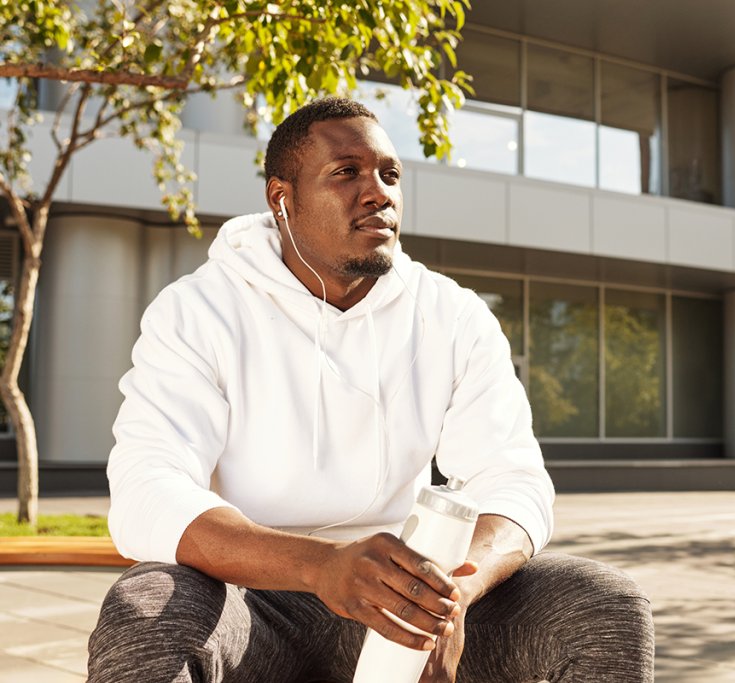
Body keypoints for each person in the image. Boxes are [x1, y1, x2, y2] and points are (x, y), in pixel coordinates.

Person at [87, 97, 655, 683]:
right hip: (250, 599)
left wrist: (448, 596)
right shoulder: (198, 310)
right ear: (282, 199)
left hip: (401, 596)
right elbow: (146, 492)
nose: (379, 192)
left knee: (602, 603)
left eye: (390, 174)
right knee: (146, 605)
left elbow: (513, 482)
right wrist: (321, 566)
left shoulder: (451, 313)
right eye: (346, 172)